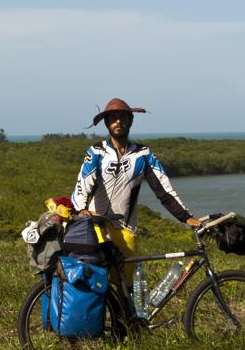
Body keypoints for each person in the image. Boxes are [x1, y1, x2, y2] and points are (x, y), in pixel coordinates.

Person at [71, 98, 203, 290]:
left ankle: (127, 319)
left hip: (125, 230)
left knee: (127, 285)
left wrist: (186, 217)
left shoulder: (143, 155)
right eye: (113, 118)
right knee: (95, 285)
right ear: (107, 123)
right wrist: (80, 210)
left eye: (123, 117)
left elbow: (164, 190)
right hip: (95, 228)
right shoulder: (97, 152)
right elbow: (83, 184)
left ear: (131, 121)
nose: (118, 122)